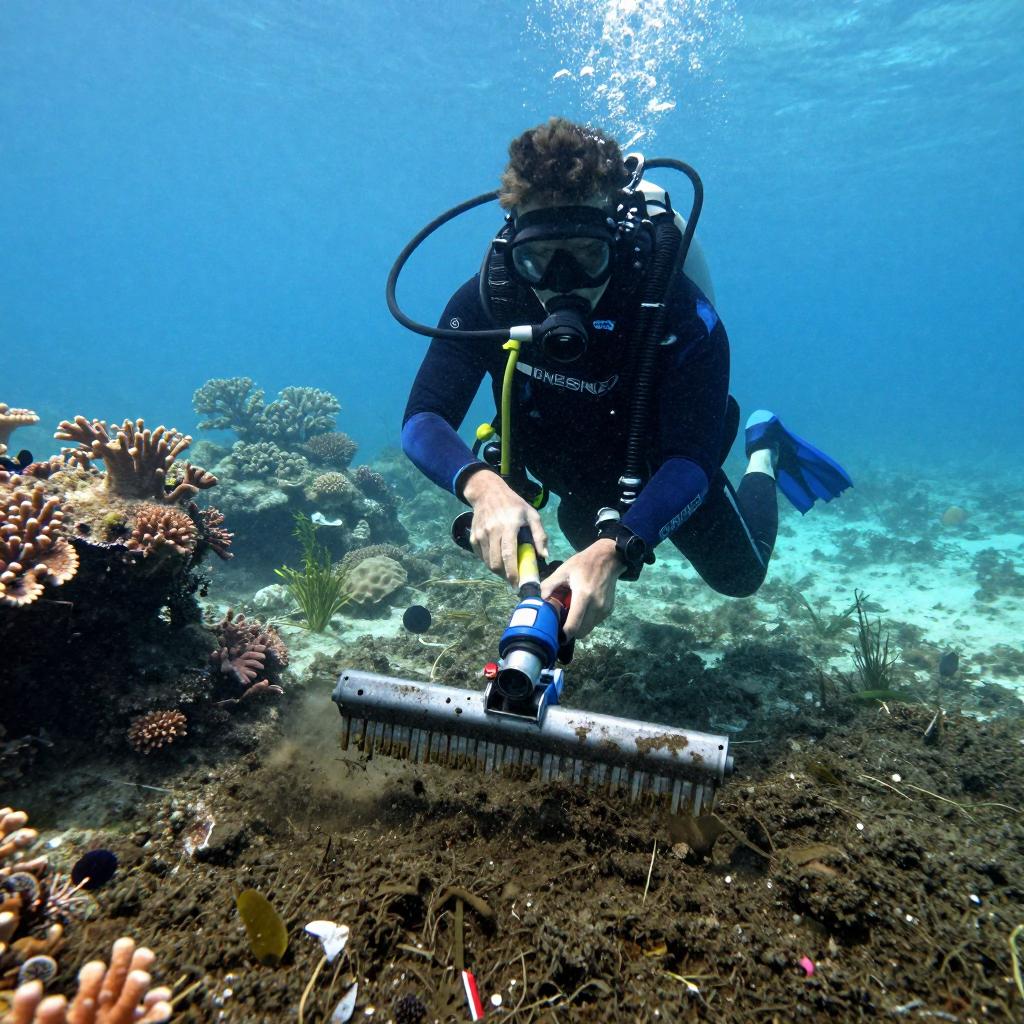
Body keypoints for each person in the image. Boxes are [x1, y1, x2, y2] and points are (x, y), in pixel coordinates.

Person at [401, 117, 851, 642]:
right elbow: (423, 418)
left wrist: (618, 548)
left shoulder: (677, 312)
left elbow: (690, 460)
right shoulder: (491, 297)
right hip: (573, 468)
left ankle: (764, 447)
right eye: (538, 259)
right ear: (512, 245)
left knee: (740, 577)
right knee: (577, 529)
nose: (562, 283)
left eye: (587, 256)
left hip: (662, 464)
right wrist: (484, 488)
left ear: (614, 237)